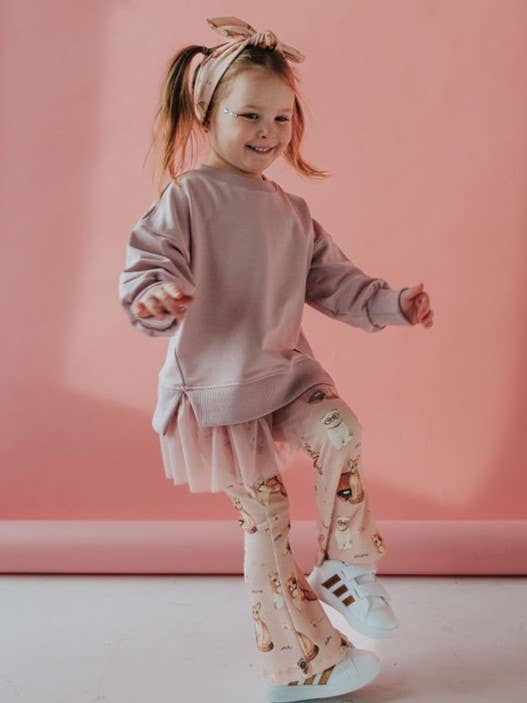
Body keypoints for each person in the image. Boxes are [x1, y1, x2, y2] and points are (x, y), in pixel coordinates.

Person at [118, 15, 434, 701]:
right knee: (264, 520)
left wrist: (393, 303)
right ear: (208, 114)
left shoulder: (290, 210)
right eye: (249, 115)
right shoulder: (189, 196)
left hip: (286, 375)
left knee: (340, 430)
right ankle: (300, 664)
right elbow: (147, 265)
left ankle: (346, 566)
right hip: (218, 392)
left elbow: (335, 282)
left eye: (281, 118)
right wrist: (154, 297)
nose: (267, 132)